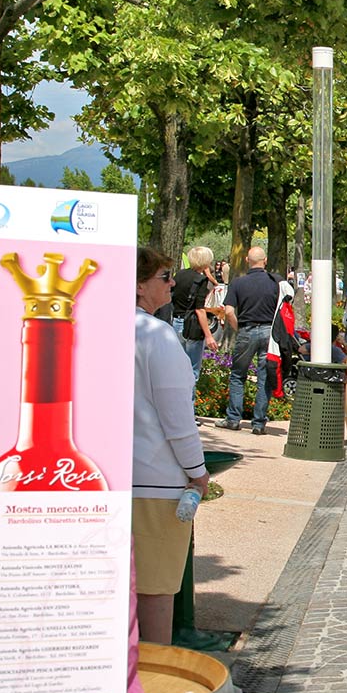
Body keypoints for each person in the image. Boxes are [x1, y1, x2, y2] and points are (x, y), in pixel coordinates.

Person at [132, 246, 210, 645]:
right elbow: (176, 415)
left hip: (116, 473)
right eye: (165, 277)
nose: (172, 283)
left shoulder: (105, 329)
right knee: (156, 590)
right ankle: (155, 680)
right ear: (141, 286)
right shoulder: (156, 336)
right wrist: (197, 471)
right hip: (157, 478)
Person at [220, 247, 281, 434]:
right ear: (265, 260)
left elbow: (229, 311)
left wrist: (239, 328)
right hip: (268, 332)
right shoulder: (275, 282)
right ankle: (258, 423)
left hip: (247, 329)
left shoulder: (238, 283)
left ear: (247, 259)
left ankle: (233, 419)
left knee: (238, 375)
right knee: (264, 376)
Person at [171, 247, 220, 379]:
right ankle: (189, 399)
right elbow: (200, 309)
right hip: (192, 325)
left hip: (176, 321)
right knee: (192, 370)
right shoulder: (201, 280)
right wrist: (209, 335)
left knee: (177, 367)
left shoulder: (179, 274)